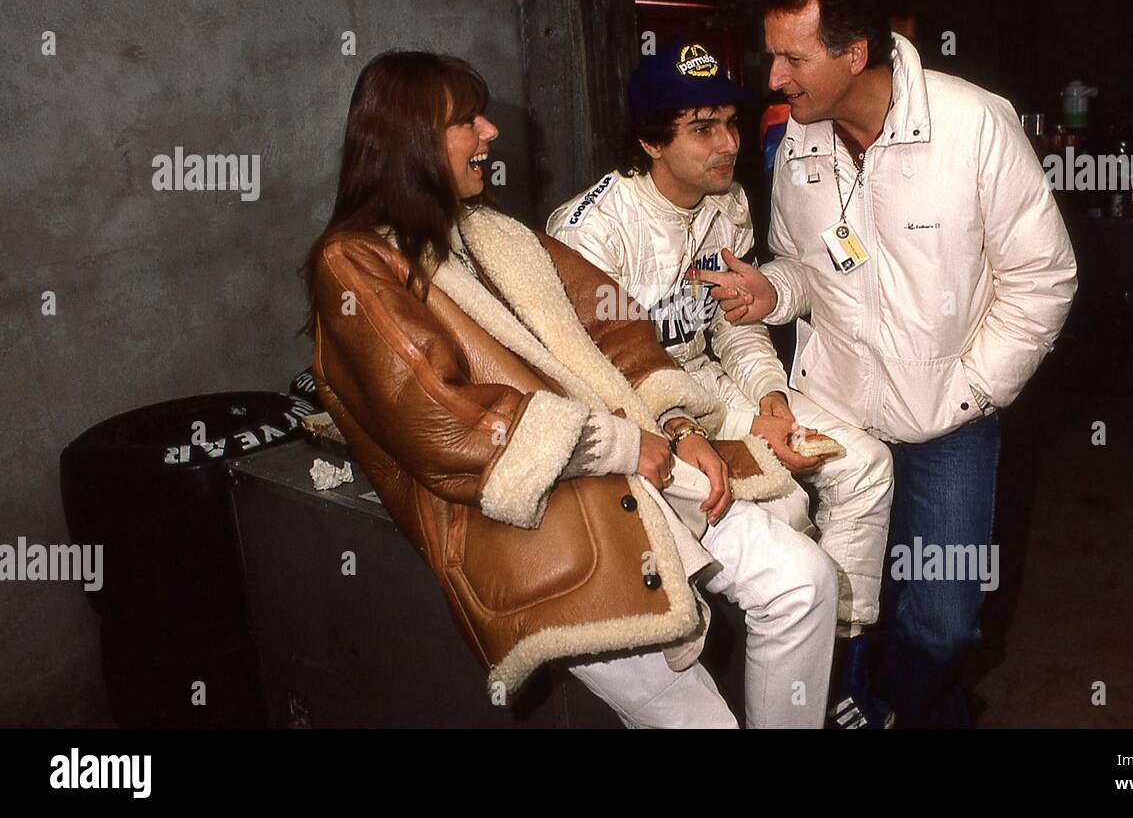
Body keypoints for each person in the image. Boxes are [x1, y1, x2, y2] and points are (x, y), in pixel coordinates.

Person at [300, 50, 838, 728]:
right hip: (523, 523)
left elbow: (614, 323)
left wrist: (678, 424)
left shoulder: (492, 230)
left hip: (628, 467)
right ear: (411, 139)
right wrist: (621, 442)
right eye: (467, 119)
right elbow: (448, 423)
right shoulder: (352, 262)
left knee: (805, 582)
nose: (490, 131)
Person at [695, 0, 1078, 727]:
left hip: (947, 428)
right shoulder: (797, 141)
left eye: (792, 57)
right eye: (773, 55)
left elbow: (1044, 277)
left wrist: (972, 386)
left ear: (854, 53)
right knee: (838, 605)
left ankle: (896, 707)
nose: (774, 78)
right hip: (836, 421)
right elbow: (808, 269)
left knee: (943, 626)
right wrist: (773, 290)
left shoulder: (974, 124)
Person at [547, 37, 895, 728]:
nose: (728, 142)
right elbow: (592, 382)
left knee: (867, 467)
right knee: (789, 513)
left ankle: (835, 678)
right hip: (640, 419)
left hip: (712, 387)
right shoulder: (591, 231)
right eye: (703, 127)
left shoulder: (727, 201)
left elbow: (732, 322)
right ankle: (782, 671)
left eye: (731, 123)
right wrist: (716, 436)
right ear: (650, 141)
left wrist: (768, 396)